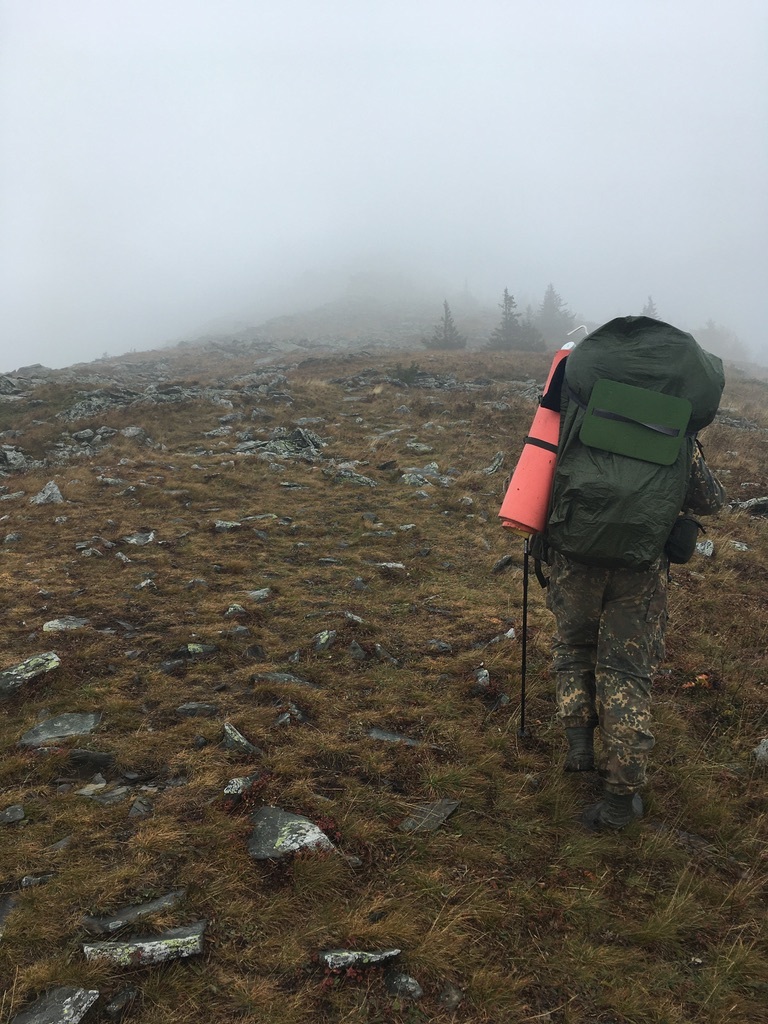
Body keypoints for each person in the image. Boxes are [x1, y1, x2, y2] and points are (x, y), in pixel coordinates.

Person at [545, 420, 726, 830]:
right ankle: (618, 804)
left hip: (575, 558)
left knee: (574, 647)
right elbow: (710, 499)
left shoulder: (577, 417)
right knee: (624, 671)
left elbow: (539, 476)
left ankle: (579, 746)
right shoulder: (677, 432)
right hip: (641, 568)